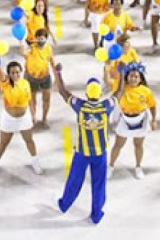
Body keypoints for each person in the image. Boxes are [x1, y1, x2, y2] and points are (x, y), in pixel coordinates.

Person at [54, 64, 116, 224]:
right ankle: (96, 215)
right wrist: (121, 74)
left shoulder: (80, 106)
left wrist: (58, 73)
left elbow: (62, 91)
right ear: (100, 93)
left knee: (74, 180)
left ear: (87, 93)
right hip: (100, 153)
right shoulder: (106, 107)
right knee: (99, 184)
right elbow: (120, 93)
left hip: (82, 152)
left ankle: (64, 204)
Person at [0, 60, 43, 176]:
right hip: (9, 119)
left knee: (29, 140)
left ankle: (35, 162)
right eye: (12, 73)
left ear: (21, 72)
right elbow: (1, 75)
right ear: (8, 74)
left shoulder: (25, 83)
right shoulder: (5, 83)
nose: (15, 75)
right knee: (3, 143)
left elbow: (30, 100)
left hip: (24, 118)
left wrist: (33, 114)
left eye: (17, 72)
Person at [108, 62, 156, 179]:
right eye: (131, 76)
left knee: (138, 145)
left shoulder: (146, 91)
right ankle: (110, 166)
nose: (133, 78)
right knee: (118, 144)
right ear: (127, 76)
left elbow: (152, 106)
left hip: (140, 120)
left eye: (136, 76)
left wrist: (154, 120)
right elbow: (114, 92)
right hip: (124, 119)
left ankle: (138, 166)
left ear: (140, 78)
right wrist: (120, 72)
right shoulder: (121, 88)